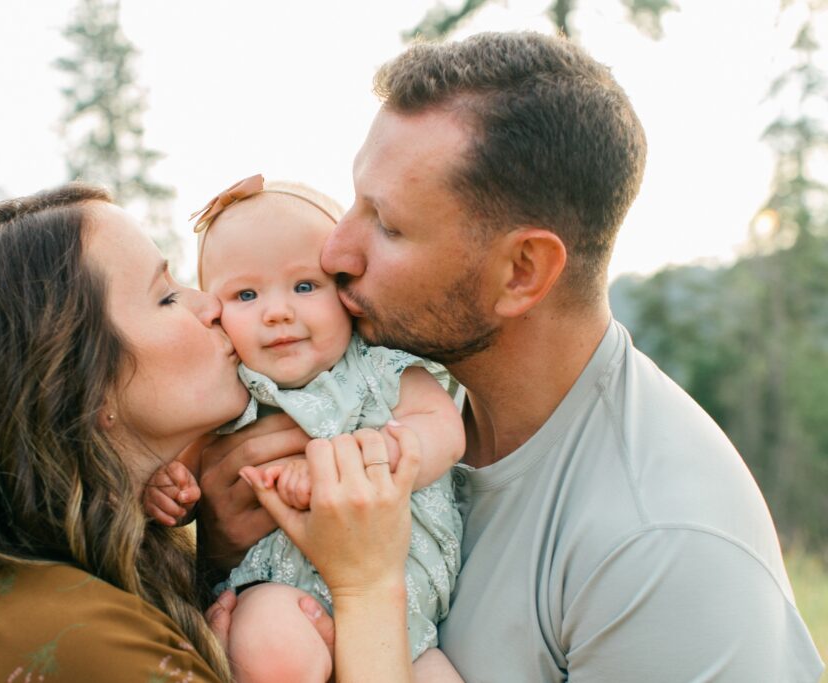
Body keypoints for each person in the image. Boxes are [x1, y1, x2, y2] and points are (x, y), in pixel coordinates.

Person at [196, 32, 826, 681]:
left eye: (387, 225)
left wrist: (364, 592)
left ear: (522, 271)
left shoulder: (662, 551)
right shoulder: (395, 392)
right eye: (353, 202)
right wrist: (217, 550)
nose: (335, 253)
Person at [0, 183, 423, 683]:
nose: (211, 306)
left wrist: (224, 563)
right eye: (166, 296)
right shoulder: (82, 642)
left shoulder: (50, 591)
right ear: (80, 384)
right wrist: (366, 589)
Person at [145, 175, 464, 681]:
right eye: (246, 294)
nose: (277, 312)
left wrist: (360, 463)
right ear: (213, 310)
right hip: (280, 594)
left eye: (304, 286)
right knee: (269, 647)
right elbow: (187, 467)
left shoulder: (380, 370)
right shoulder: (231, 392)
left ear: (346, 293)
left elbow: (444, 432)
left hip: (408, 624)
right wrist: (170, 490)